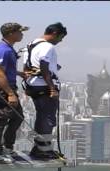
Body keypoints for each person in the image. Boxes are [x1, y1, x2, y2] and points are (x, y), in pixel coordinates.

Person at [0, 22, 29, 164]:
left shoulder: (6, 49)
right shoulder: (4, 50)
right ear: (11, 33)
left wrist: (18, 73)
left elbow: (4, 68)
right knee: (0, 120)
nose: (22, 34)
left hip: (4, 87)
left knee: (18, 117)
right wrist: (10, 93)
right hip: (1, 89)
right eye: (19, 31)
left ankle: (6, 147)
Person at [22, 22, 67, 160]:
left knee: (42, 116)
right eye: (60, 37)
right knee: (48, 118)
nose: (60, 41)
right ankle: (44, 150)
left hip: (33, 85)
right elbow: (44, 67)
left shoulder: (30, 45)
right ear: (54, 33)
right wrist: (52, 88)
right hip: (44, 86)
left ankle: (39, 148)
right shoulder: (48, 47)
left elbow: (26, 67)